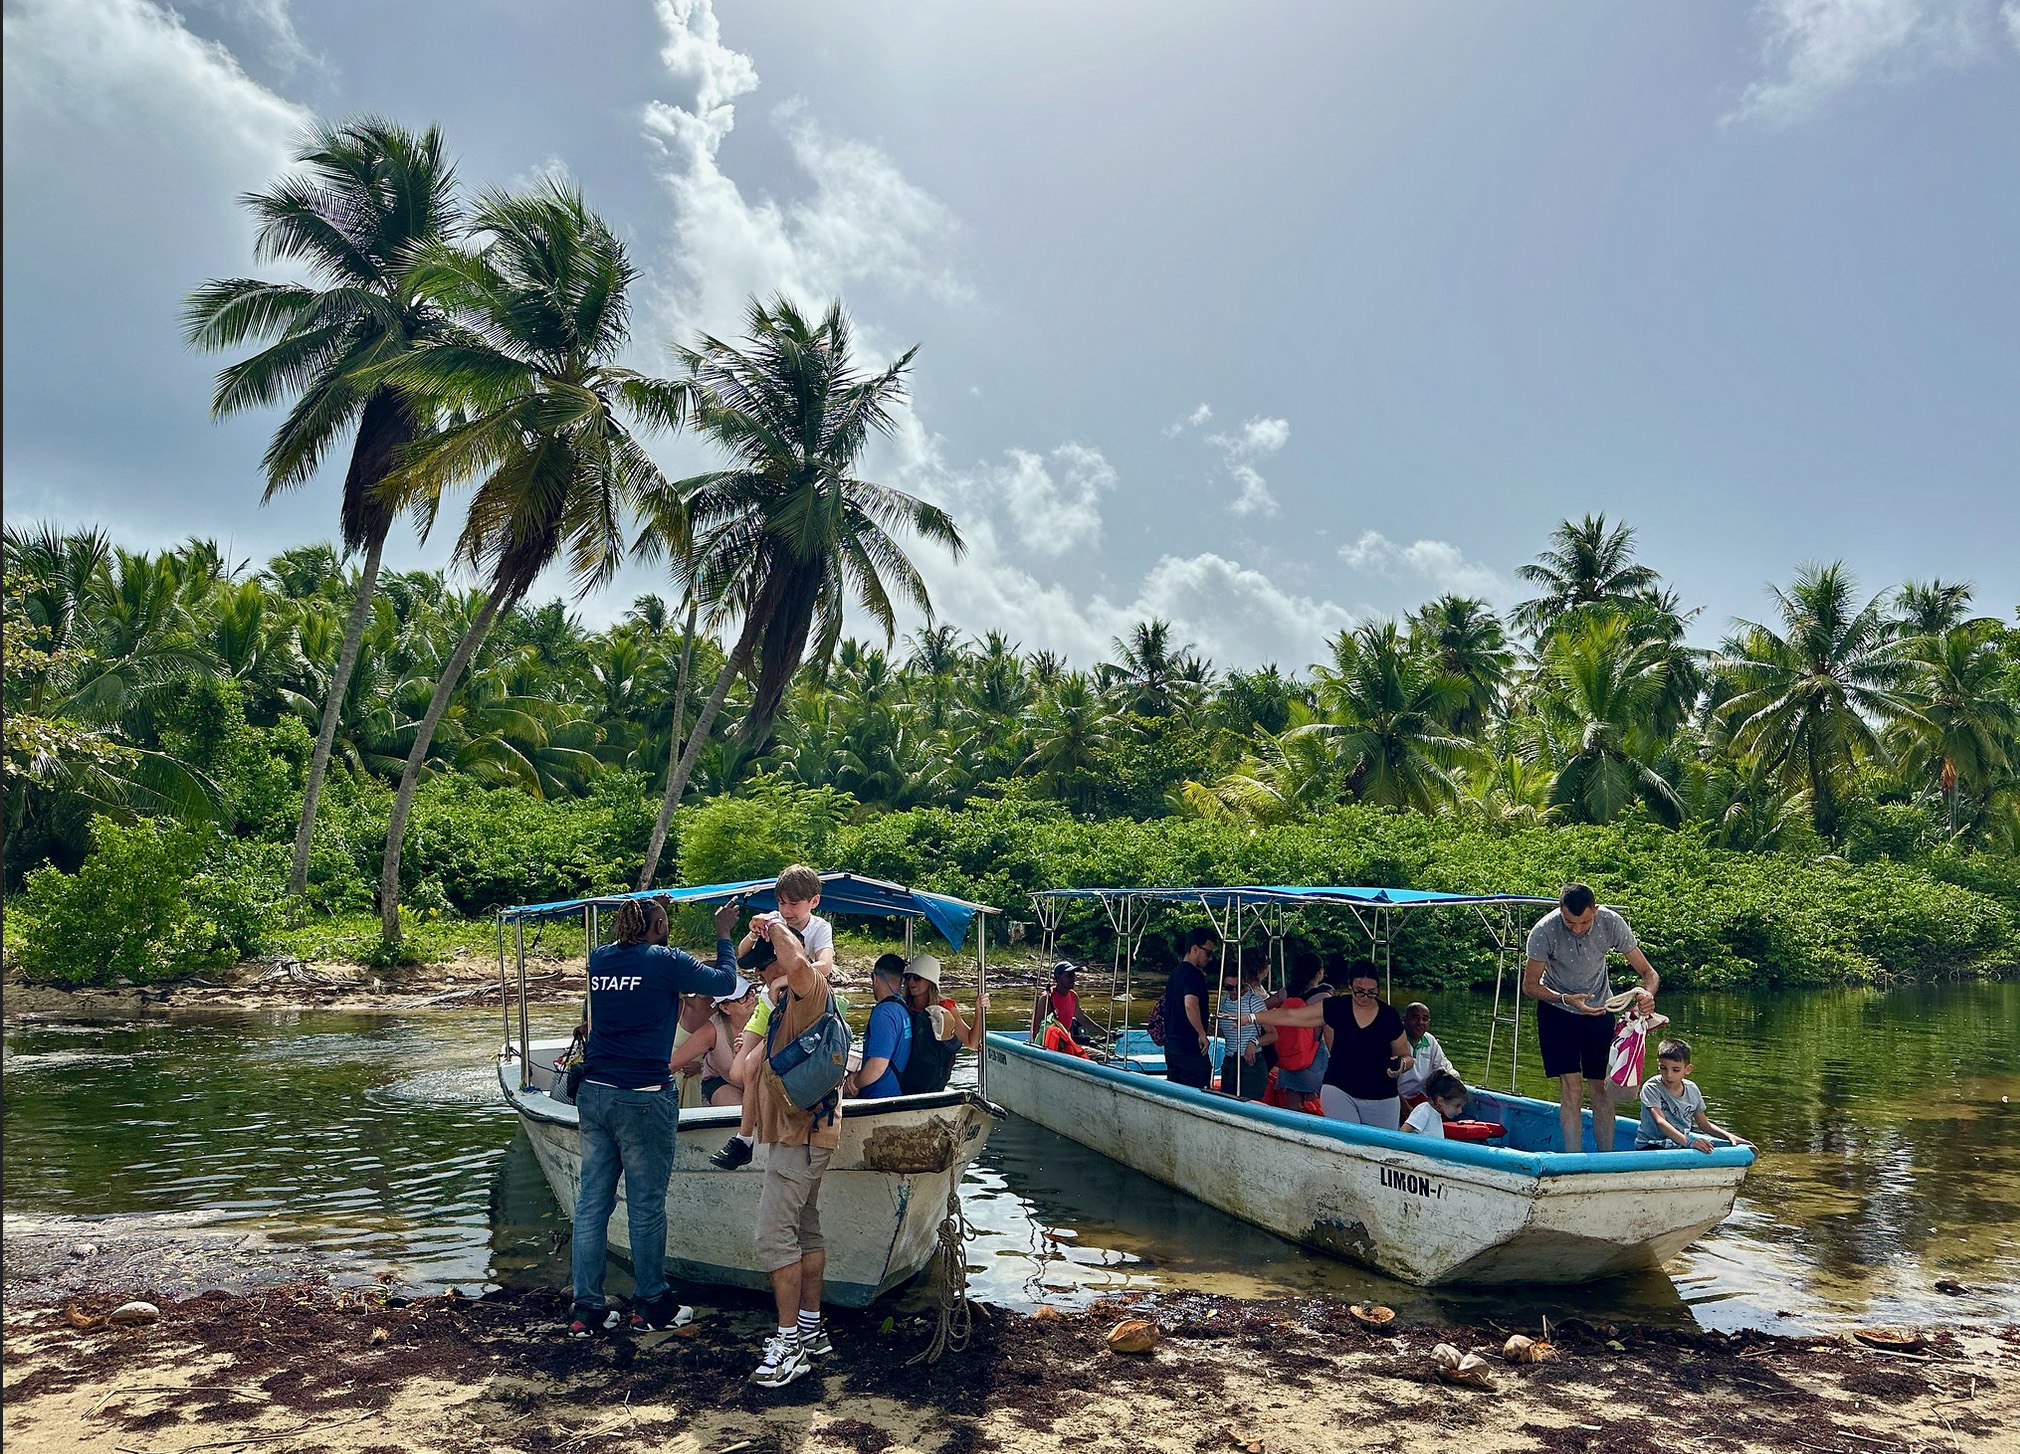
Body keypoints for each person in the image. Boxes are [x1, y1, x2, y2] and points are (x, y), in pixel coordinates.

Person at [568, 895, 738, 1339]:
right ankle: (652, 1305)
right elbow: (723, 981)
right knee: (645, 1206)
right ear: (659, 925)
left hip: (595, 1093)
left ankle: (586, 1310)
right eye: (665, 922)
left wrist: (652, 917)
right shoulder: (665, 961)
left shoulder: (600, 959)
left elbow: (636, 962)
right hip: (642, 1097)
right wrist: (723, 934)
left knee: (591, 1205)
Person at [744, 896, 842, 1387]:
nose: (766, 977)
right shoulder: (783, 1003)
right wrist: (758, 931)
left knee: (772, 1238)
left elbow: (800, 962)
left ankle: (788, 1346)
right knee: (806, 1230)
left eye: (772, 969)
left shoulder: (809, 990)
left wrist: (780, 927)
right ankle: (811, 1328)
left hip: (799, 1139)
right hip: (811, 1137)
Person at [711, 866, 834, 1170]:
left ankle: (745, 1139)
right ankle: (751, 1130)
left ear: (813, 901)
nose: (787, 910)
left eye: (794, 904)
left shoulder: (819, 928)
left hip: (798, 1001)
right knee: (743, 1069)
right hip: (770, 1004)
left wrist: (789, 978)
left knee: (754, 1064)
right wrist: (754, 932)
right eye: (782, 903)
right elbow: (742, 954)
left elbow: (825, 965)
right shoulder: (773, 919)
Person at [1522, 883, 1660, 1153]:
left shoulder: (1610, 922)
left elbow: (1649, 974)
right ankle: (1574, 1160)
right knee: (1571, 1088)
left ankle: (1605, 1159)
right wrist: (1565, 998)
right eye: (1569, 922)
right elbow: (1530, 986)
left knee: (1602, 1088)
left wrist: (1647, 996)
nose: (1577, 929)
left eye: (1584, 921)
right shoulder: (1544, 930)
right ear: (1559, 910)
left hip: (1599, 1011)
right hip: (1558, 1012)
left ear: (1595, 910)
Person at [1248, 961, 1412, 1129]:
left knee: (1381, 1146)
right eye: (1360, 992)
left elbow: (1406, 1056)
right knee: (1346, 1139)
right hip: (1339, 1088)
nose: (1365, 997)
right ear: (1350, 986)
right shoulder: (1336, 1007)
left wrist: (1401, 1065)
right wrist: (1252, 1018)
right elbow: (1291, 1016)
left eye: (1372, 993)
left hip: (1382, 1095)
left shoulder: (1389, 1016)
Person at [1635, 1039, 1751, 1153]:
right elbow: (1660, 1121)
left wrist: (1729, 1136)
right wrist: (1690, 1143)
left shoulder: (1692, 1090)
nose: (1668, 1075)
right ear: (1658, 1064)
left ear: (1687, 1069)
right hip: (1651, 1145)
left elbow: (1704, 1125)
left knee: (1706, 1150)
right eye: (1663, 1068)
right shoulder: (1652, 1087)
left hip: (1680, 1144)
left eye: (1675, 1070)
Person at [898, 954, 987, 1094]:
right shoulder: (902, 1006)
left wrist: (979, 1012)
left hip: (932, 1080)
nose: (911, 982)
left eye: (917, 978)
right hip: (906, 1076)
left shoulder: (946, 1008)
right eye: (908, 978)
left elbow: (972, 1043)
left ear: (930, 981)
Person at [1265, 951, 1330, 1110]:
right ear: (1319, 972)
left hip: (1289, 1053)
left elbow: (1262, 1007)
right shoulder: (1324, 997)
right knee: (1313, 1107)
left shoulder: (1287, 992)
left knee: (1292, 1105)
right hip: (1315, 1054)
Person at [1158, 927, 1220, 1090]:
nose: (1210, 958)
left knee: (1176, 1088)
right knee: (1200, 1086)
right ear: (1194, 949)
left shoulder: (1176, 973)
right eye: (1208, 953)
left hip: (1172, 1044)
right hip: (1189, 1046)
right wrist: (1201, 1033)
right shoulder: (1194, 974)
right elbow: (1190, 1004)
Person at [849, 956, 913, 1099]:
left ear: (875, 978)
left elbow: (878, 1065)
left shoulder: (884, 1013)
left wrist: (854, 1083)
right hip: (898, 1093)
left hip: (880, 1097)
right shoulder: (902, 1007)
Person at [1215, 959, 1269, 1100]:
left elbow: (1273, 1034)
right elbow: (1225, 1032)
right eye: (1229, 987)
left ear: (1245, 982)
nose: (1234, 991)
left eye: (1238, 987)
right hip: (1229, 1061)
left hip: (1251, 1063)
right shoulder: (1224, 1002)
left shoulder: (1254, 1002)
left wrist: (1253, 1042)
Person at [1396, 1002, 1455, 1107]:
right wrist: (1405, 1108)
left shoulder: (1430, 1040)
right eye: (1415, 1018)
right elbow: (1386, 1082)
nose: (1420, 1023)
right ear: (1404, 1019)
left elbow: (1443, 1067)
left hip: (1419, 1096)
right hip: (1393, 1096)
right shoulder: (1395, 1039)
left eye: (1425, 1019)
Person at [1030, 962, 1103, 1046]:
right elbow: (1038, 1029)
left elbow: (1083, 1020)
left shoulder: (1073, 996)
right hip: (1049, 1045)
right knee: (1098, 1056)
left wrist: (1105, 1033)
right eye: (1069, 976)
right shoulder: (1047, 998)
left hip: (1066, 1043)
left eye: (1073, 975)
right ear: (1058, 977)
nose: (1073, 979)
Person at [1403, 1070, 1471, 1138]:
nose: (1460, 1111)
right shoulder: (1423, 1111)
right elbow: (1402, 1133)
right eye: (1457, 1106)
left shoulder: (1436, 1114)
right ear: (1440, 1101)